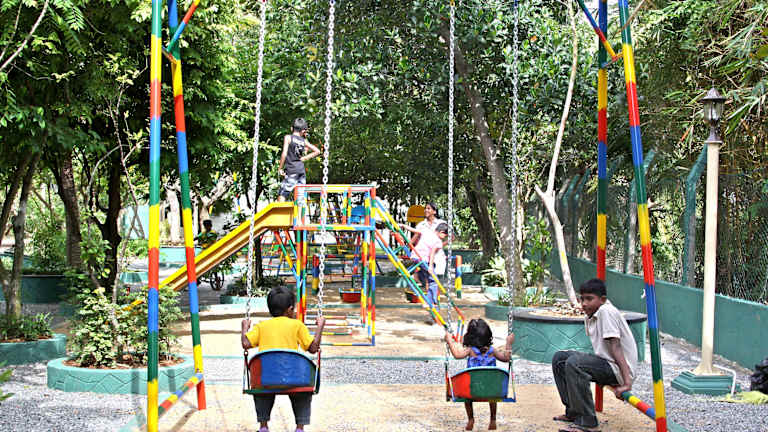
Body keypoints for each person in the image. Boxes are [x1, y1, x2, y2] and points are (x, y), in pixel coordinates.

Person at [551, 278, 638, 432]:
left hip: (618, 369)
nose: (584, 303)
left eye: (589, 299)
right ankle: (573, 412)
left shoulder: (606, 311)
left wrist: (626, 383)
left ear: (602, 300)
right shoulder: (591, 315)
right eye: (582, 299)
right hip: (606, 364)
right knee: (560, 359)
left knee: (575, 363)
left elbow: (616, 346)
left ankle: (588, 423)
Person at [240, 286, 327, 432]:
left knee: (261, 389)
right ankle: (300, 427)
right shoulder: (297, 325)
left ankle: (263, 426)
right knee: (302, 391)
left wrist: (244, 327)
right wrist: (320, 327)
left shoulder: (262, 326)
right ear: (290, 309)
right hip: (293, 378)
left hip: (266, 379)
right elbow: (313, 348)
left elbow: (245, 343)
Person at [444, 319, 515, 431]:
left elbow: (457, 355)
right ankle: (493, 419)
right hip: (491, 389)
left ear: (470, 337)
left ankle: (471, 419)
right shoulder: (492, 351)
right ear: (488, 336)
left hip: (472, 389)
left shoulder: (470, 350)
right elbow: (506, 358)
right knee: (493, 397)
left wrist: (449, 341)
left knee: (466, 398)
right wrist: (509, 343)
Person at [402, 222, 449, 313]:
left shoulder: (427, 231)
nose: (443, 238)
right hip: (424, 260)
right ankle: (430, 302)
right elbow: (432, 253)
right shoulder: (438, 241)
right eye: (445, 236)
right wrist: (430, 266)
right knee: (434, 281)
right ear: (442, 232)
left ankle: (418, 276)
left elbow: (414, 230)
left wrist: (403, 226)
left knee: (428, 273)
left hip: (415, 256)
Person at [277, 118, 321, 202]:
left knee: (283, 193)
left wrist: (280, 168)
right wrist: (304, 158)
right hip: (301, 171)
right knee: (300, 197)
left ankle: (279, 209)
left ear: (291, 128)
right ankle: (300, 211)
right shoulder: (304, 141)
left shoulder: (288, 138)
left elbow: (284, 154)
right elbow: (317, 151)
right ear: (303, 131)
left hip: (291, 170)